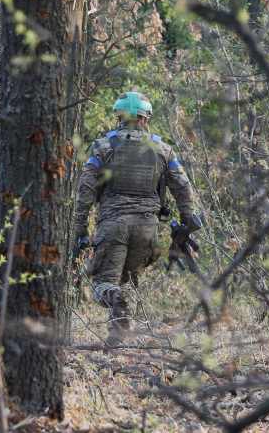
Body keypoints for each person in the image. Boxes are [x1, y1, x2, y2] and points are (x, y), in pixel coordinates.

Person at [73, 90, 198, 346]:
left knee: (103, 283)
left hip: (113, 225)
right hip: (147, 228)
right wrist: (188, 219)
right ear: (145, 118)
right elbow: (183, 187)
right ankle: (117, 337)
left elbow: (85, 191)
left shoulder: (103, 147)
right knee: (127, 282)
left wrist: (79, 229)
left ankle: (116, 313)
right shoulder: (163, 150)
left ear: (119, 116)